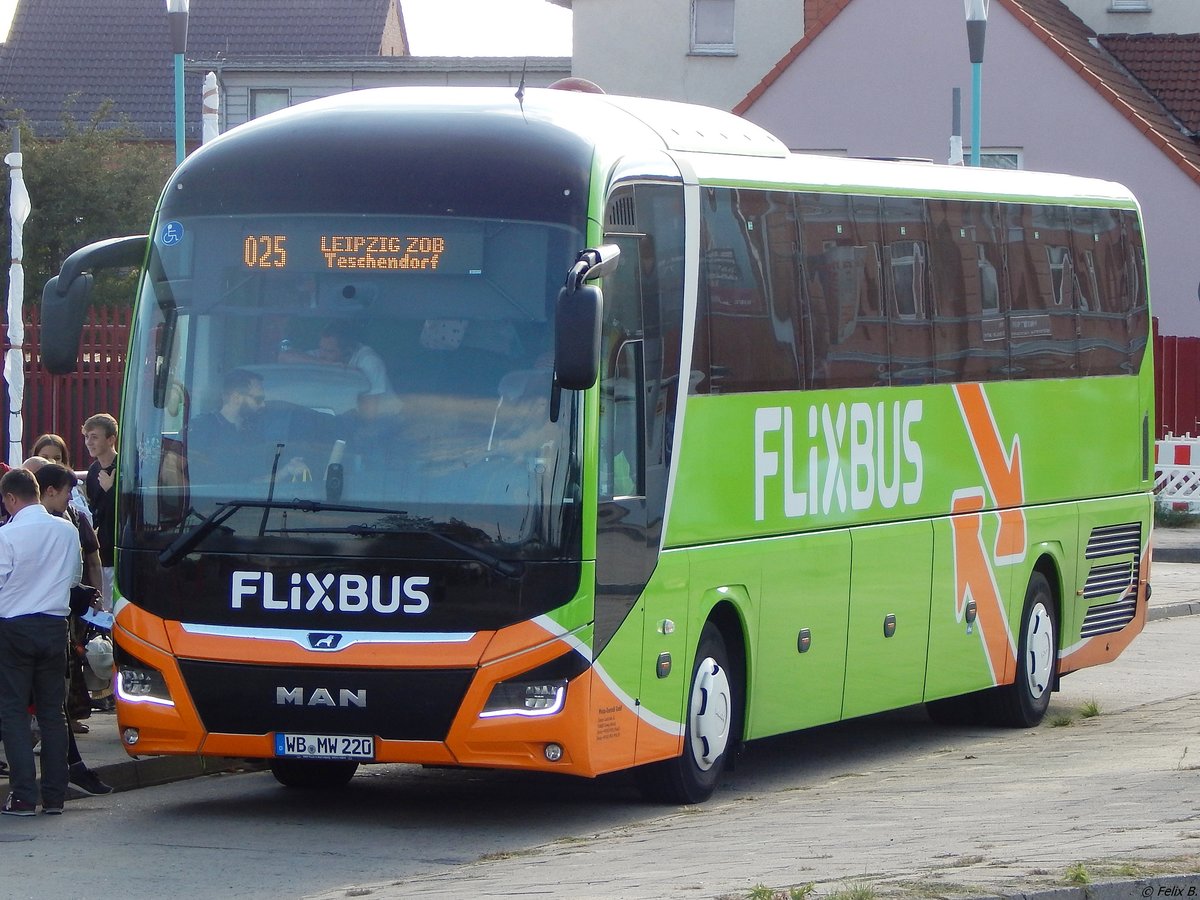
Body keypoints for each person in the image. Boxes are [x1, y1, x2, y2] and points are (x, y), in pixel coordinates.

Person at [0, 467, 83, 815]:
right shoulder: (67, 531)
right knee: (53, 714)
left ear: (10, 498)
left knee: (14, 712)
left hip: (14, 626)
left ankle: (22, 795)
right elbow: (75, 578)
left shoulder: (6, 536)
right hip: (54, 626)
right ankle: (54, 796)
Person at [29, 461, 113, 798]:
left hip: (58, 621)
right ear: (49, 491)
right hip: (39, 625)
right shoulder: (43, 529)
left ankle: (69, 771)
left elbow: (85, 564)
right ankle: (62, 777)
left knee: (50, 705)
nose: (72, 497)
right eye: (67, 491)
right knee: (46, 706)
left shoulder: (72, 519)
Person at [187, 369, 309, 483]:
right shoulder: (199, 429)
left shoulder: (252, 433)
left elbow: (255, 482)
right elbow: (174, 472)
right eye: (258, 399)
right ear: (236, 398)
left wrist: (287, 470)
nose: (263, 405)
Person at [279, 321, 399, 419]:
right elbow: (284, 357)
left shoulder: (370, 362)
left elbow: (369, 414)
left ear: (348, 351)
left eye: (329, 351)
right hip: (344, 419)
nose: (322, 354)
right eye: (321, 348)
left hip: (386, 420)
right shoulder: (323, 356)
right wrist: (327, 364)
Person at [82, 413, 118, 612]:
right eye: (87, 437)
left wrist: (111, 490)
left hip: (117, 550)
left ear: (111, 439)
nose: (89, 442)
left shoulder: (125, 467)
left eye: (94, 437)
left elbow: (130, 510)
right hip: (99, 549)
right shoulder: (94, 469)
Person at [31, 432, 93, 525]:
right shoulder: (27, 486)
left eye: (57, 458)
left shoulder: (72, 488)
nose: (51, 462)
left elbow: (87, 519)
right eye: (45, 457)